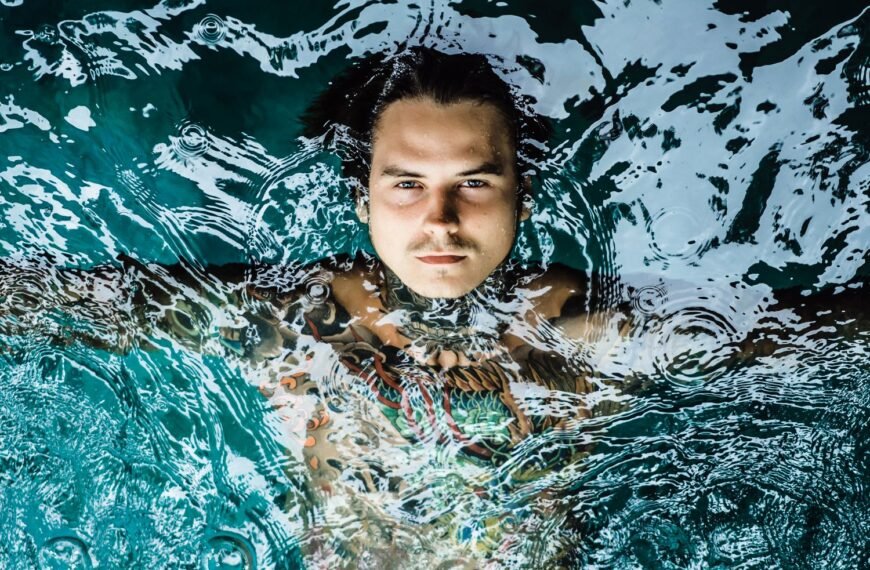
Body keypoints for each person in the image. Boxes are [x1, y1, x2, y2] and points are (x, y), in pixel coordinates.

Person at [1, 46, 865, 565]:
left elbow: (821, 333)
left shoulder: (593, 333)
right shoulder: (287, 316)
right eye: (406, 184)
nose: (440, 222)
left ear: (523, 194)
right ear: (361, 196)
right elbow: (63, 303)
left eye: (474, 183)